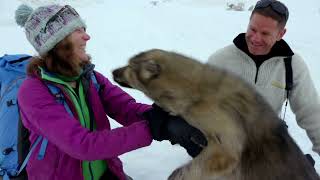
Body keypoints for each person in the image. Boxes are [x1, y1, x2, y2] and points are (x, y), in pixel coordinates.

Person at [14, 4, 207, 180]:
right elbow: (82, 145)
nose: (86, 36)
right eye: (77, 31)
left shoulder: (90, 78)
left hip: (106, 172)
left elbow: (126, 108)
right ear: (56, 43)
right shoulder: (33, 92)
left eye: (84, 29)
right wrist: (152, 128)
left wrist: (167, 118)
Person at [207, 0, 320, 158]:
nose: (255, 38)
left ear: (281, 34)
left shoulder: (292, 66)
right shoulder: (221, 60)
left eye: (265, 33)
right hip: (223, 143)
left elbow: (311, 113)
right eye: (252, 29)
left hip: (264, 144)